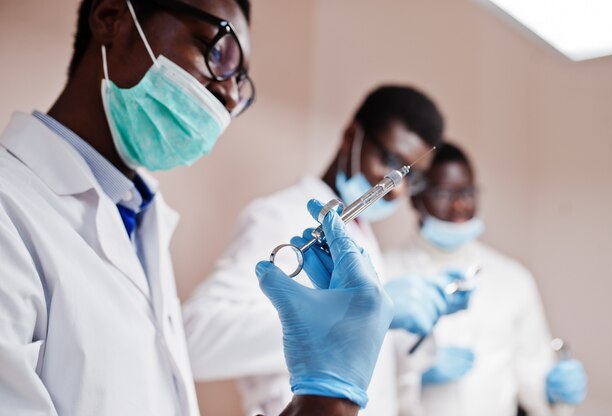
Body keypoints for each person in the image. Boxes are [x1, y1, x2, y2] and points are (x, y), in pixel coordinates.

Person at [0, 1, 401, 415]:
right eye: (217, 54)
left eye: (241, 81)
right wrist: (328, 398)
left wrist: (320, 394)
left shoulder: (138, 220)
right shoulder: (10, 214)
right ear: (111, 18)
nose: (229, 95)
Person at [184, 85, 472, 415]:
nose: (397, 189)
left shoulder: (362, 237)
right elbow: (195, 338)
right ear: (352, 136)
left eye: (414, 178)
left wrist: (415, 335)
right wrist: (329, 323)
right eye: (390, 162)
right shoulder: (278, 215)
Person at [384, 143, 588, 416]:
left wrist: (555, 393)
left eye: (467, 192)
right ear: (415, 197)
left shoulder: (513, 278)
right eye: (444, 193)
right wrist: (413, 376)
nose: (459, 205)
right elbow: (365, 383)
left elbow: (534, 376)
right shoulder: (384, 272)